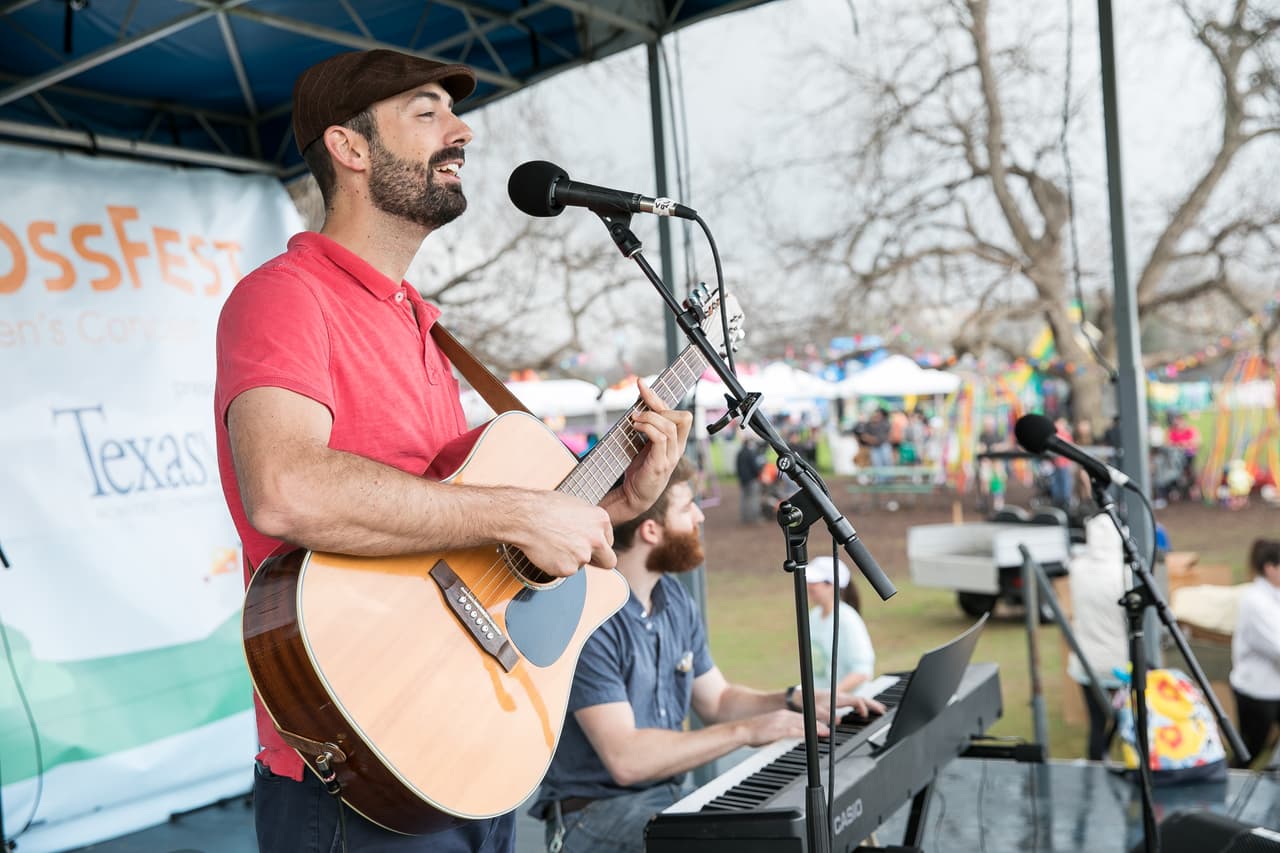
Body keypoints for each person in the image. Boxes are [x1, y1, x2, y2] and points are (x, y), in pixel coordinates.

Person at [213, 49, 692, 853]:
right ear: (351, 148)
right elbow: (286, 488)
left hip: (474, 750)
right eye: (428, 112)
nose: (462, 131)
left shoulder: (425, 328)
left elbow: (468, 537)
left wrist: (617, 504)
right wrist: (518, 508)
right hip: (360, 772)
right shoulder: (284, 296)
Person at [532, 459, 883, 853]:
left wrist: (792, 698)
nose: (700, 515)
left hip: (666, 797)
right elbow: (626, 759)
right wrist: (748, 731)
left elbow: (717, 700)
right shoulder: (590, 618)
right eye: (687, 508)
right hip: (594, 815)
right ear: (651, 530)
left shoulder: (673, 598)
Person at [1065, 513, 1129, 760]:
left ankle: (1097, 761)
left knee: (1096, 723)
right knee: (1124, 719)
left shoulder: (1078, 569)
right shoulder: (1123, 574)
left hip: (1086, 663)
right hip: (1118, 663)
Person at [1229, 538, 1280, 767]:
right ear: (1270, 568)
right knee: (1249, 752)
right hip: (1257, 691)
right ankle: (1229, 794)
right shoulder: (1256, 601)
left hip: (1273, 688)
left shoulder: (1273, 596)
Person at [805, 556, 875, 694]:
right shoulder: (813, 615)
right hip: (821, 705)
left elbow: (862, 671)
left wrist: (830, 696)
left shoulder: (847, 619)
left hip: (846, 705)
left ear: (832, 585)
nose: (808, 585)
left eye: (814, 581)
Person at [735, 435, 766, 523]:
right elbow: (755, 467)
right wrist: (758, 474)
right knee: (754, 499)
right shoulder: (751, 453)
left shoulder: (740, 453)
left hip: (743, 480)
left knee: (744, 499)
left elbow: (737, 467)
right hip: (752, 479)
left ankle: (745, 518)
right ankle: (755, 518)